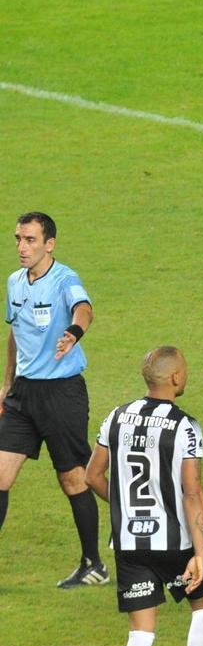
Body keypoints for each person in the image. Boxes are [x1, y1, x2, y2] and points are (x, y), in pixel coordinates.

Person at [84, 347, 203, 646]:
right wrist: (199, 551)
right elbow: (191, 492)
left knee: (140, 631)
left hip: (129, 541)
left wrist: (126, 507)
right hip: (174, 541)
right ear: (176, 378)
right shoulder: (185, 426)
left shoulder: (115, 417)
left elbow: (92, 475)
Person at [1, 212, 105, 588]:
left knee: (74, 480)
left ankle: (94, 562)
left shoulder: (65, 279)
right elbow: (15, 332)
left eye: (30, 240)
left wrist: (74, 332)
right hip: (23, 394)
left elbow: (85, 309)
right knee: (0, 476)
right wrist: (6, 381)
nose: (22, 247)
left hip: (62, 393)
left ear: (50, 244)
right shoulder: (14, 282)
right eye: (18, 239)